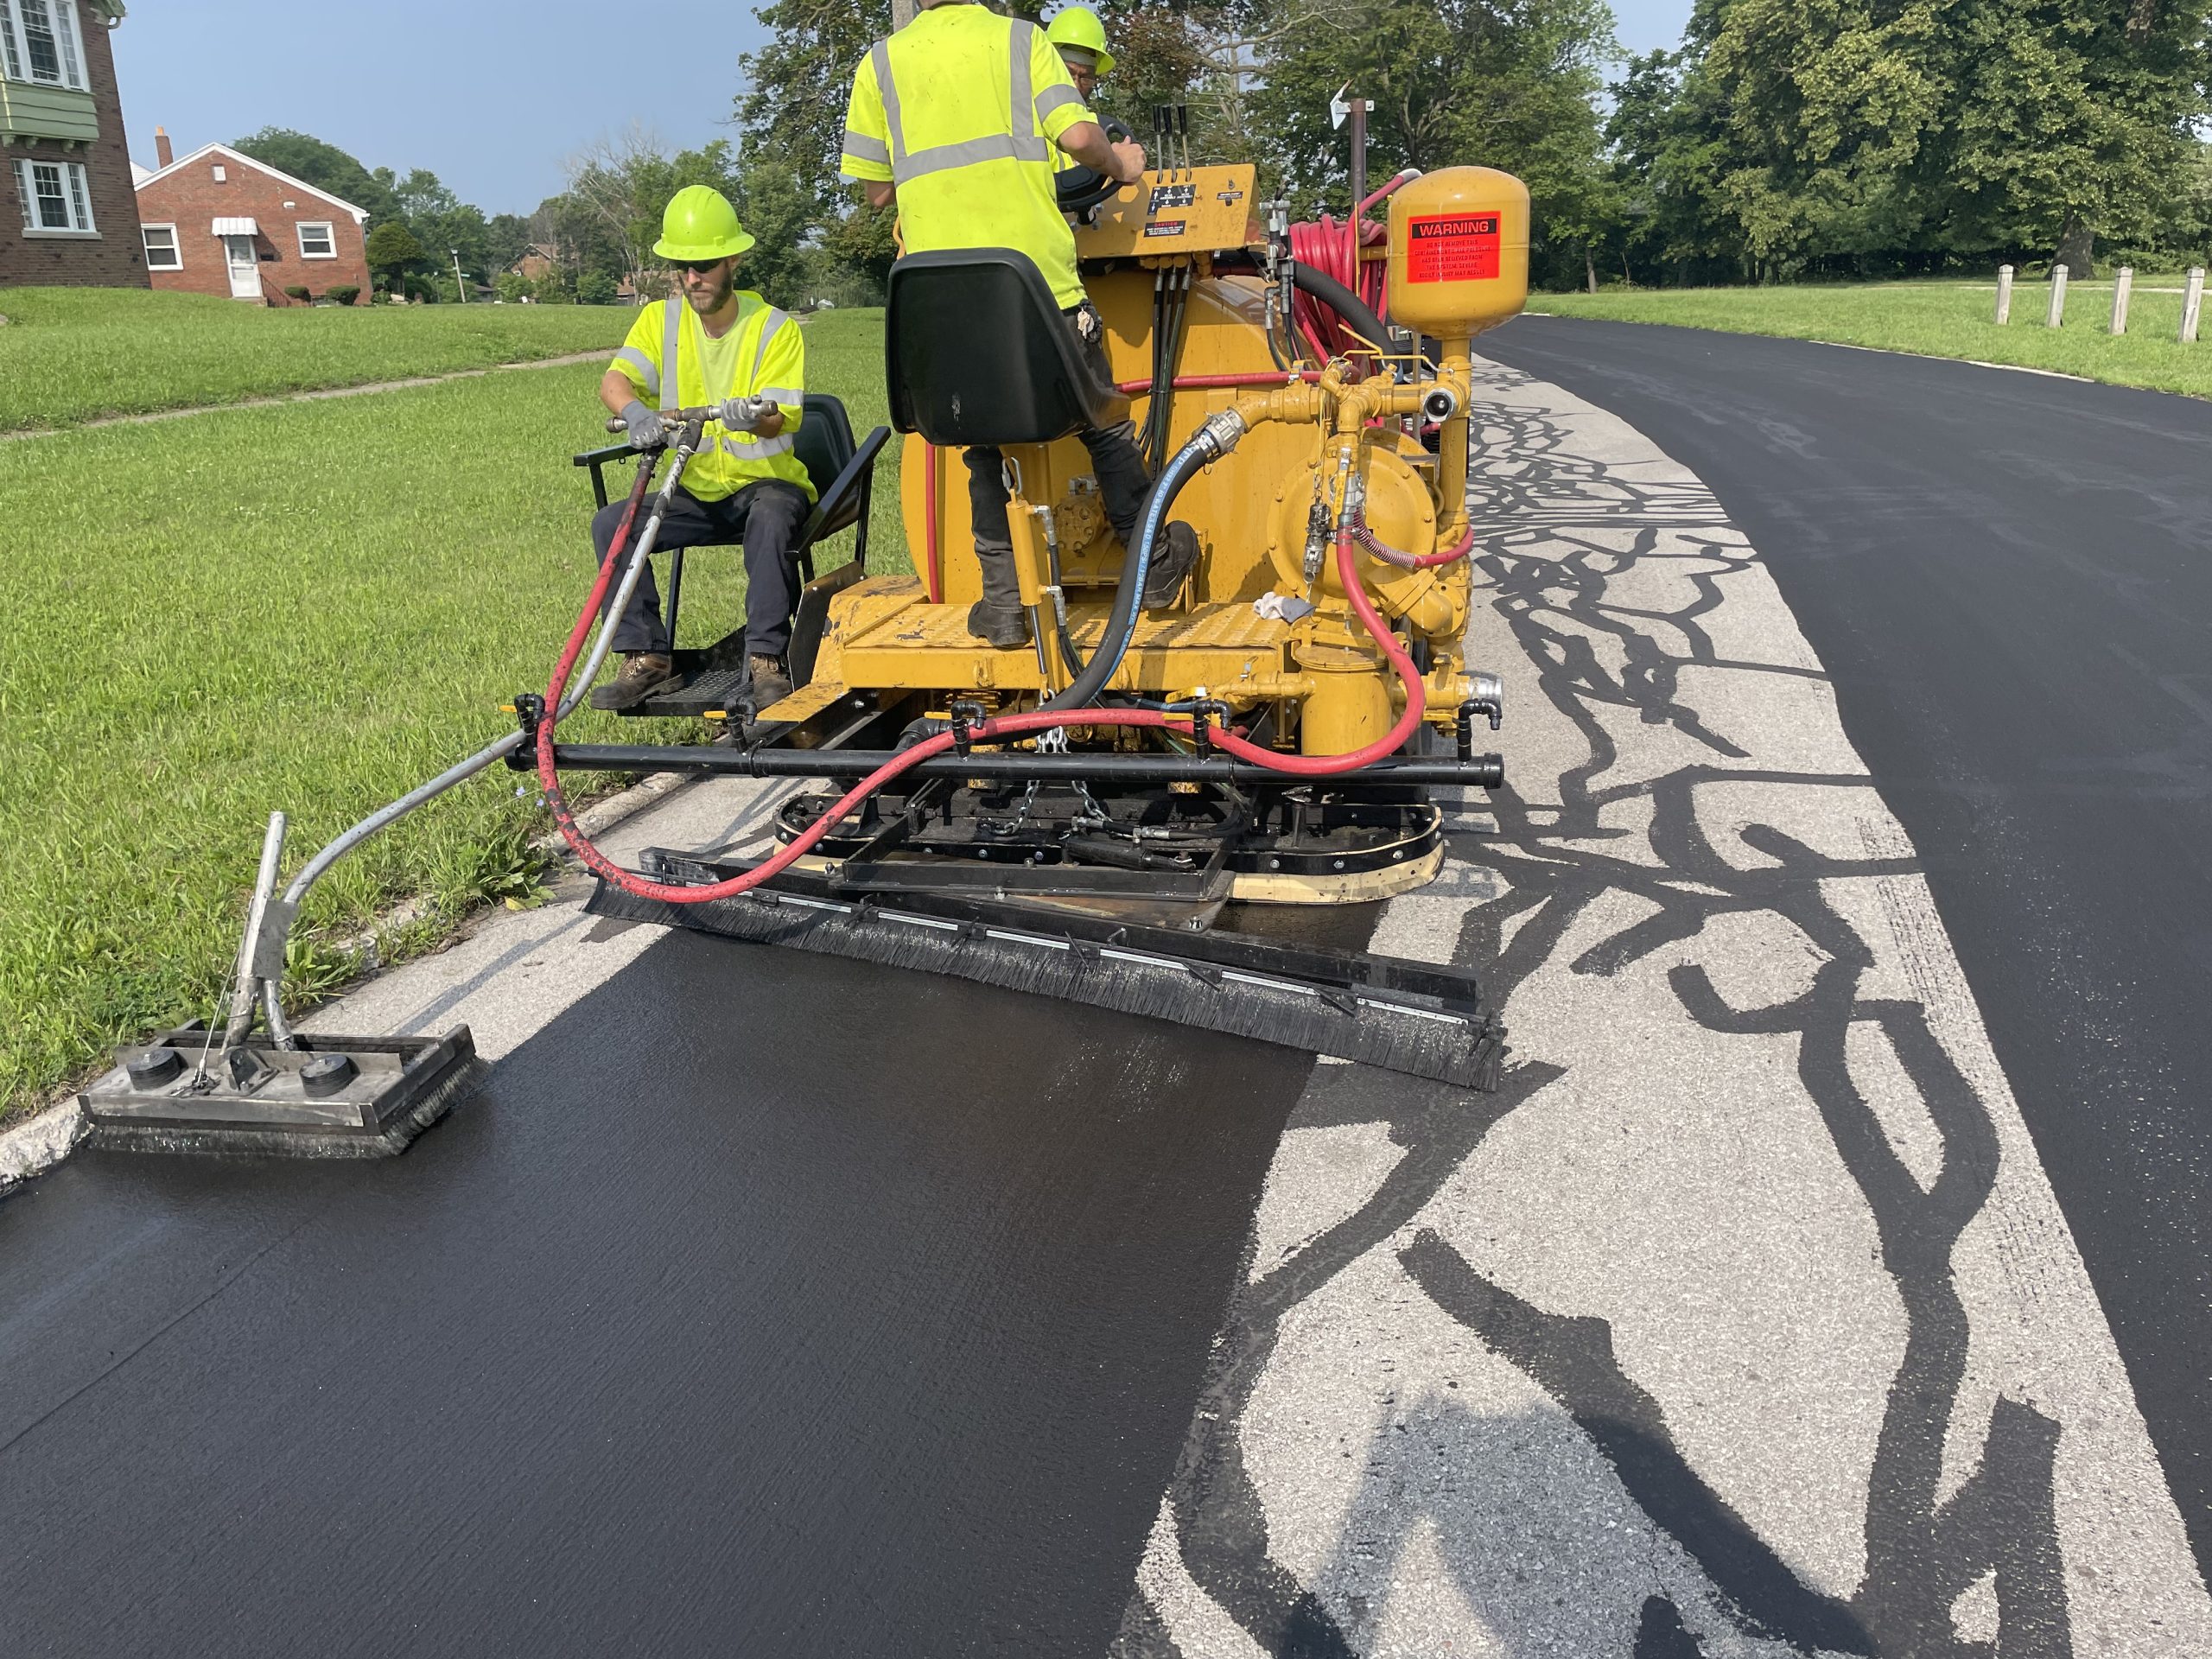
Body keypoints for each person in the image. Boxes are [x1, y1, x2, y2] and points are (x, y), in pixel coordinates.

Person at [839, 0, 1198, 650]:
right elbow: (1080, 140)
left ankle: (1004, 603)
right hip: (1038, 288)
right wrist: (1123, 165)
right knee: (1107, 424)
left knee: (981, 442)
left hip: (945, 304)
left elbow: (877, 190)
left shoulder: (880, 63)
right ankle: (1154, 571)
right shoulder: (1019, 42)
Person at [588, 185, 813, 711]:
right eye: (683, 267)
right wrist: (636, 413)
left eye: (706, 265)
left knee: (773, 517)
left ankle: (766, 661)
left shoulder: (773, 327)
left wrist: (753, 419)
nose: (694, 279)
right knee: (612, 524)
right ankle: (648, 657)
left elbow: (780, 413)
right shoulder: (659, 322)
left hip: (765, 489)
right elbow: (614, 381)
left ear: (733, 258)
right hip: (693, 491)